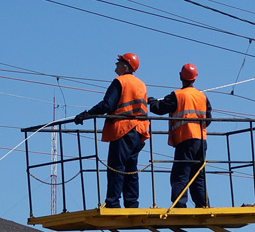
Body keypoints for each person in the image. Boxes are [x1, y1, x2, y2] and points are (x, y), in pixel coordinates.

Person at [74, 52, 150, 208]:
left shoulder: (119, 82)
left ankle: (113, 202)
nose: (116, 64)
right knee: (131, 168)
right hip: (139, 130)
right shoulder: (141, 84)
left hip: (122, 129)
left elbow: (107, 105)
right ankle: (132, 203)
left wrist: (87, 114)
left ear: (126, 66)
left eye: (119, 62)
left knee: (116, 167)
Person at [148, 63, 211, 207]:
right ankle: (203, 204)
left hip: (185, 139)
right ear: (195, 79)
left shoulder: (177, 96)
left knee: (180, 174)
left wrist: (151, 101)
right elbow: (208, 118)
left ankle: (179, 204)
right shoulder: (202, 96)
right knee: (198, 174)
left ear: (180, 76)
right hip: (201, 141)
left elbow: (159, 108)